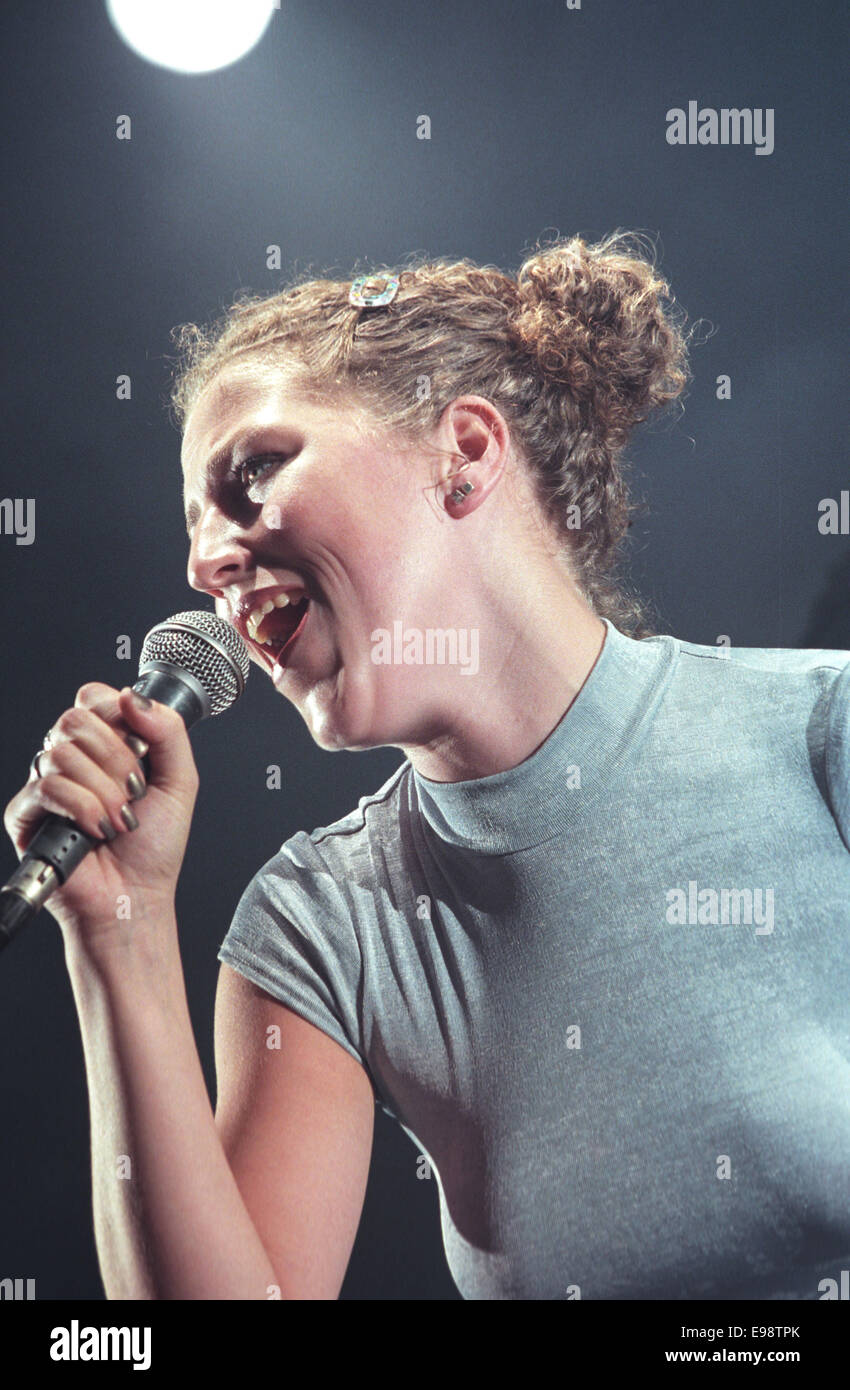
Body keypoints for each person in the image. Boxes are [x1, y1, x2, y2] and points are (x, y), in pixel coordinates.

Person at [5, 232, 849, 1300]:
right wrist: (117, 934)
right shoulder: (322, 924)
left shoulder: (821, 731)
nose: (202, 561)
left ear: (464, 451)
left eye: (254, 472)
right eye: (195, 527)